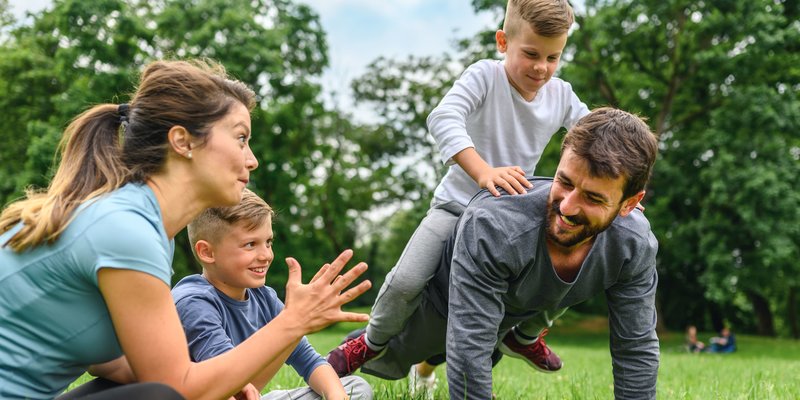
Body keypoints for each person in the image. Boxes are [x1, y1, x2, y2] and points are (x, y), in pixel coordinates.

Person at [0, 59, 371, 400]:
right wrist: (292, 322)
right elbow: (174, 389)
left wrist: (228, 378)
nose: (252, 159)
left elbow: (108, 363)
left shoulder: (147, 228)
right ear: (182, 142)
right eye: (241, 138)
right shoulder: (126, 229)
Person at [328, 0, 589, 382]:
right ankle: (371, 342)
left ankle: (526, 337)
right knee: (406, 281)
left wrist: (623, 185)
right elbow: (443, 117)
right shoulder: (485, 76)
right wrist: (483, 171)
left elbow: (594, 136)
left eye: (553, 57)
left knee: (567, 267)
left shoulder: (561, 94)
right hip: (456, 207)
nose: (541, 67)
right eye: (531, 54)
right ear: (503, 42)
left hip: (511, 218)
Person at [351, 107, 661, 399]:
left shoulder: (633, 245)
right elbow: (469, 342)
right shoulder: (495, 224)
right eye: (564, 181)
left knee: (489, 350)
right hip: (439, 303)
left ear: (630, 203)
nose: (566, 206)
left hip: (509, 317)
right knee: (394, 351)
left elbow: (635, 348)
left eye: (593, 198)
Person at [172, 188, 373, 400]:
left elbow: (309, 360)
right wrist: (294, 323)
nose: (266, 255)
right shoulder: (194, 301)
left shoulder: (263, 296)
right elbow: (230, 389)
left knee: (354, 387)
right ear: (207, 252)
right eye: (250, 244)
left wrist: (335, 396)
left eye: (268, 242)